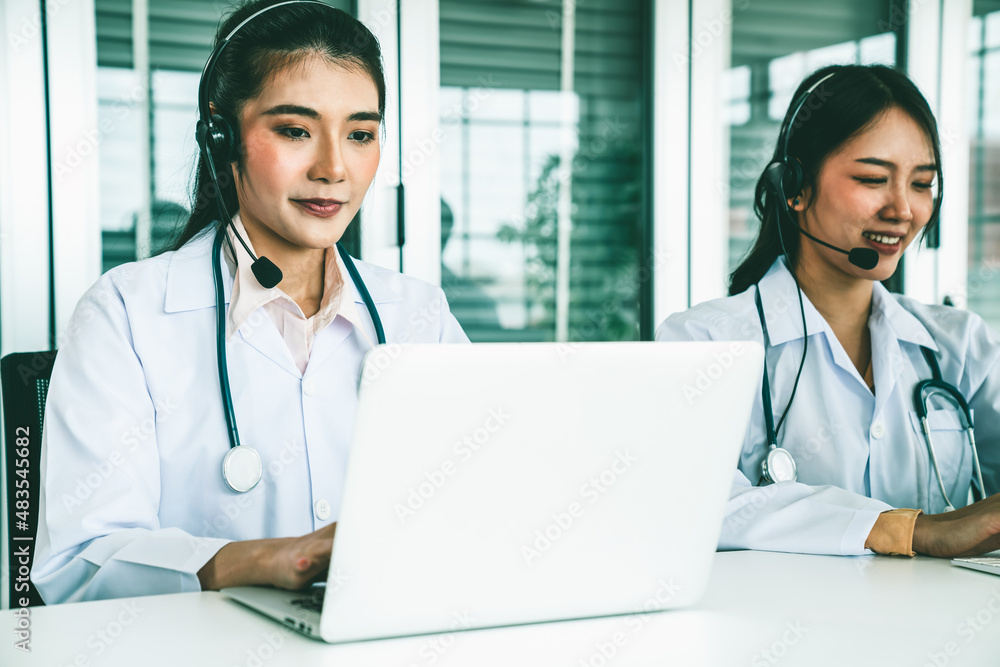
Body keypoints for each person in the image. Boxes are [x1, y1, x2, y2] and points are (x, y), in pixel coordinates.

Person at [32, 0, 468, 604]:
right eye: (294, 130)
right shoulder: (126, 314)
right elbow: (81, 566)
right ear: (223, 136)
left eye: (361, 134)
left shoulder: (420, 315)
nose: (334, 168)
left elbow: (481, 508)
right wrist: (270, 559)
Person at [656, 64, 1000, 558]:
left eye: (922, 184)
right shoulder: (704, 343)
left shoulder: (960, 346)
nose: (903, 209)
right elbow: (691, 500)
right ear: (793, 186)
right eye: (872, 178)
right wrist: (910, 530)